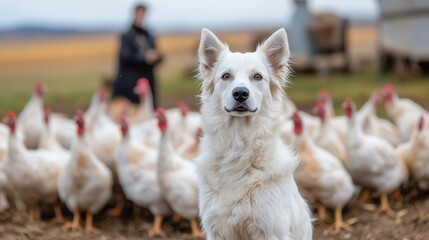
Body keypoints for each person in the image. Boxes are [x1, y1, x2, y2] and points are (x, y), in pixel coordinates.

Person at [112, 4, 162, 108]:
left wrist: (156, 57)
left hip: (148, 80)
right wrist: (145, 57)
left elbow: (158, 54)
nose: (141, 16)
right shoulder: (126, 36)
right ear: (134, 14)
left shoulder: (149, 36)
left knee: (148, 111)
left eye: (143, 14)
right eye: (139, 14)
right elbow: (126, 56)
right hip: (131, 83)